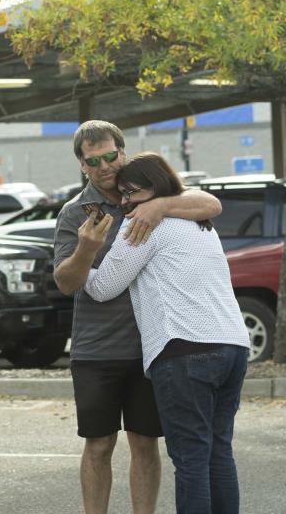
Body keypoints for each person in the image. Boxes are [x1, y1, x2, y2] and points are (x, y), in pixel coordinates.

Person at [52, 121, 222, 514]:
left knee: (145, 442)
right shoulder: (75, 212)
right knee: (98, 444)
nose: (104, 167)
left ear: (123, 152)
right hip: (96, 349)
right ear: (82, 165)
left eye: (111, 156)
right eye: (93, 161)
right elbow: (65, 282)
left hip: (153, 347)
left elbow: (211, 205)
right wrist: (86, 249)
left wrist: (159, 205)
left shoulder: (153, 192)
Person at [79, 153, 250, 514]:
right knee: (218, 451)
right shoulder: (201, 223)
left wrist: (84, 254)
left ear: (156, 187)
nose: (125, 201)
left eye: (131, 192)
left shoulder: (143, 225)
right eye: (122, 194)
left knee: (190, 458)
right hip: (233, 346)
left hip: (184, 349)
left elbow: (103, 288)